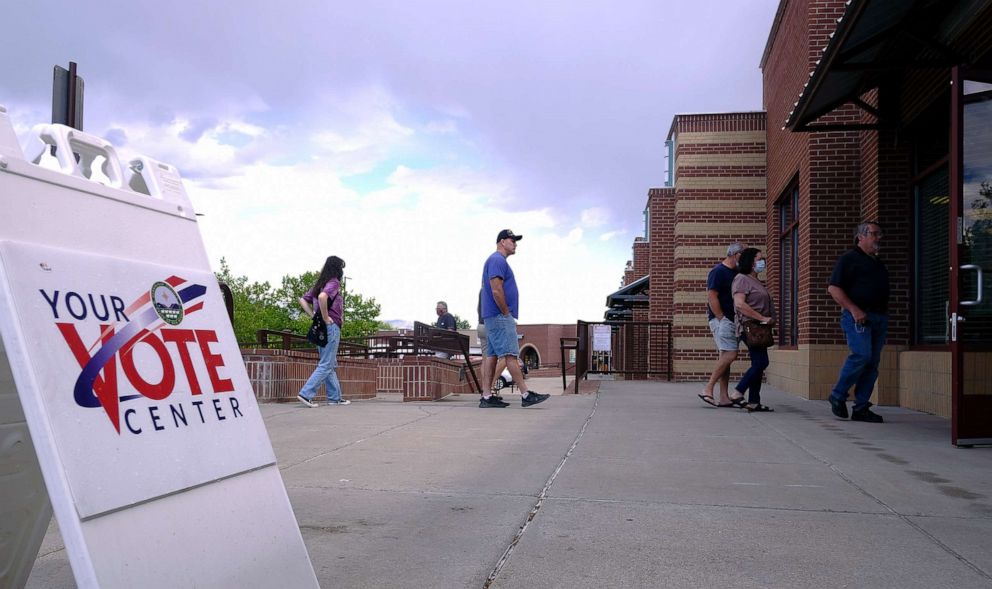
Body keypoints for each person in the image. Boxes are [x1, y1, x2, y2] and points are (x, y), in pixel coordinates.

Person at [479, 229, 549, 409]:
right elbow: (496, 289)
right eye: (512, 240)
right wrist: (505, 312)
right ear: (502, 242)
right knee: (511, 354)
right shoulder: (497, 260)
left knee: (492, 356)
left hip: (493, 316)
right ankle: (526, 394)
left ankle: (486, 396)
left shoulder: (496, 260)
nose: (515, 244)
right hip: (499, 315)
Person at [827, 221, 888, 423]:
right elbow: (834, 289)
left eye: (880, 234)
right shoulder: (849, 259)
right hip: (857, 317)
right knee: (862, 354)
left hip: (879, 317)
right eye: (874, 234)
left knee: (872, 363)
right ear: (860, 236)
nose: (879, 238)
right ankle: (838, 395)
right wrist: (854, 309)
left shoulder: (877, 263)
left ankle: (861, 407)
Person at [297, 255, 351, 407]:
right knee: (327, 364)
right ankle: (306, 394)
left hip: (319, 326)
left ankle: (335, 398)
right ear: (337, 268)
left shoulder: (320, 283)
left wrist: (313, 315)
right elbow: (322, 297)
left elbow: (302, 299)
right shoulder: (333, 282)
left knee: (330, 363)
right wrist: (326, 317)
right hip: (330, 326)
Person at [699, 242, 746, 408]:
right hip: (723, 320)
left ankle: (724, 397)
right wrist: (721, 318)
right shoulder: (718, 271)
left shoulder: (736, 272)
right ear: (736, 254)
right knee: (731, 354)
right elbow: (712, 296)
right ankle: (708, 388)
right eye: (744, 254)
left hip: (732, 320)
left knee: (726, 357)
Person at [732, 248, 775, 412]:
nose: (762, 262)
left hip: (759, 328)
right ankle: (738, 392)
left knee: (758, 362)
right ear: (751, 262)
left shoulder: (755, 280)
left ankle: (754, 402)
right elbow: (740, 304)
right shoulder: (742, 279)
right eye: (759, 258)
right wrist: (762, 318)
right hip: (750, 327)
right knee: (762, 362)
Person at [476, 290, 507, 402]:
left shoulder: (482, 290)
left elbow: (478, 309)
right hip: (492, 327)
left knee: (485, 360)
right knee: (506, 357)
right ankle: (491, 387)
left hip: (481, 325)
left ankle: (485, 392)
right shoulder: (494, 288)